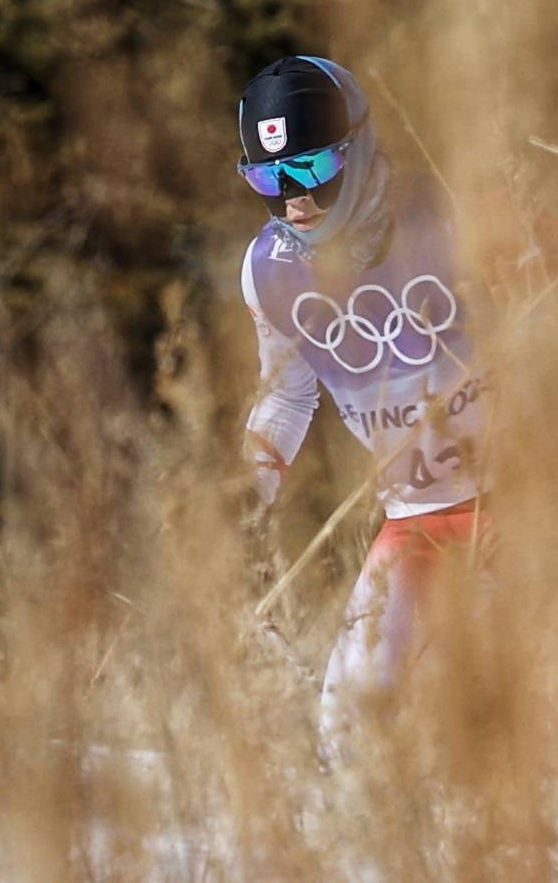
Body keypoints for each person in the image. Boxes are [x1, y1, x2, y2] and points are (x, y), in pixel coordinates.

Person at [233, 53, 485, 732]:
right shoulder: (269, 272)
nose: (295, 197)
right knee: (348, 732)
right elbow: (285, 397)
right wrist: (244, 494)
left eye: (313, 167)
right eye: (268, 174)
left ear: (360, 144)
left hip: (525, 501)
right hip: (415, 520)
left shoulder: (444, 211)